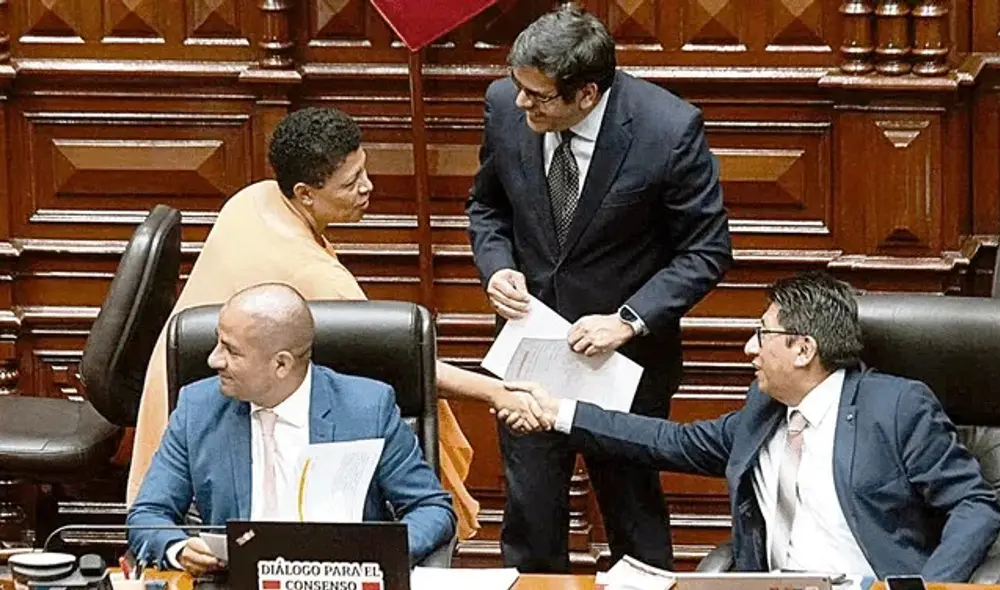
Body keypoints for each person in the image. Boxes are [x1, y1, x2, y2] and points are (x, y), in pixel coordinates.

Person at [127, 106, 541, 540]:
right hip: (216, 423)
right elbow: (403, 362)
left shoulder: (255, 198)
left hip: (179, 391)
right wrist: (495, 391)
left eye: (364, 170)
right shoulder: (316, 278)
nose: (367, 187)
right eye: (350, 183)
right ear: (305, 194)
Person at [503, 272, 1000, 582]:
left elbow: (974, 504)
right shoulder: (764, 412)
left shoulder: (895, 406)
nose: (748, 348)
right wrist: (559, 412)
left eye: (762, 334)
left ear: (803, 349)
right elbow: (667, 441)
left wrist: (932, 587)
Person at [465, 3, 732, 572]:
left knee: (632, 515)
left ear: (586, 94)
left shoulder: (668, 129)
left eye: (538, 96)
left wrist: (628, 320)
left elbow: (706, 251)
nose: (521, 103)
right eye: (518, 87)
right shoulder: (504, 105)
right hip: (530, 353)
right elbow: (487, 207)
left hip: (623, 363)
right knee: (531, 518)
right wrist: (497, 267)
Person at [127, 284, 456, 574]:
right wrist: (178, 548)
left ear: (281, 364)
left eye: (231, 350)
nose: (214, 360)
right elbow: (148, 513)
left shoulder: (367, 408)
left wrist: (375, 556)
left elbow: (431, 509)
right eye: (218, 342)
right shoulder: (198, 407)